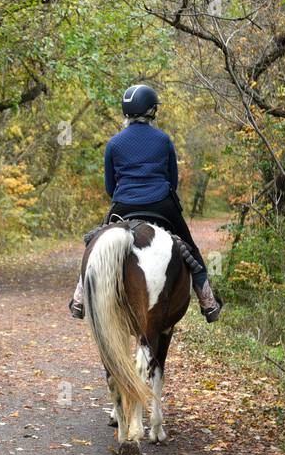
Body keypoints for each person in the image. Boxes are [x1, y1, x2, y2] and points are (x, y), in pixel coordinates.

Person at [69, 84, 223, 322]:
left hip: (123, 206)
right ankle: (208, 301)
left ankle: (79, 296)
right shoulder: (163, 140)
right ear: (151, 111)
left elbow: (110, 187)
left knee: (95, 242)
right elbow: (172, 181)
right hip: (162, 204)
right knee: (190, 247)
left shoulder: (114, 143)